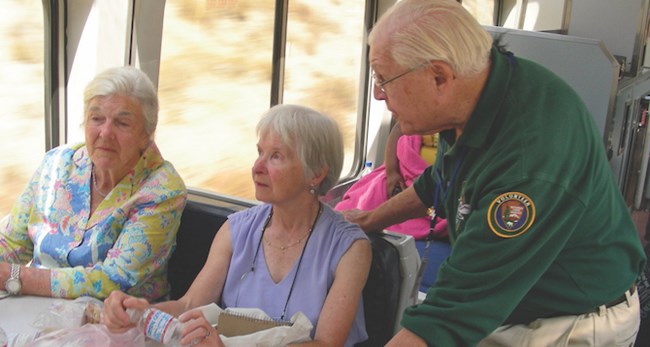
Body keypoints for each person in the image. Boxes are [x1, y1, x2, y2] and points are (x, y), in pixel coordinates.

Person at [342, 0, 647, 346]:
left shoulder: (528, 159)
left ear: (439, 76)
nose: (378, 94)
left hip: (569, 323)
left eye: (385, 79)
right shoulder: (472, 101)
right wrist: (370, 220)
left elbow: (450, 315)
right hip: (512, 304)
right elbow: (440, 181)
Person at [102, 104, 372, 347]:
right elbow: (189, 305)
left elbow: (327, 344)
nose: (257, 167)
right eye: (260, 152)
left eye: (276, 156)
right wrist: (139, 312)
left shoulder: (350, 249)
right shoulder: (237, 230)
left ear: (316, 173)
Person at [0, 66, 187, 301]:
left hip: (111, 323)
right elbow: (12, 241)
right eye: (96, 118)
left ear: (146, 134)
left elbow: (112, 280)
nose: (105, 132)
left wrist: (15, 276)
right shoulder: (57, 164)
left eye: (122, 123)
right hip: (33, 310)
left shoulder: (161, 190)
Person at [335, 121, 450, 290]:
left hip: (434, 182)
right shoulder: (418, 111)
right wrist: (392, 172)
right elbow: (398, 130)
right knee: (372, 192)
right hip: (404, 173)